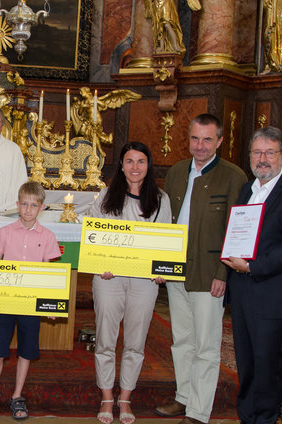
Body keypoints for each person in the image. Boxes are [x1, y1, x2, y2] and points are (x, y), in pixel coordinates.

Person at [222, 126, 282, 424]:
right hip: (244, 292)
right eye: (256, 152)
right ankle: (248, 417)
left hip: (274, 294)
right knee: (247, 364)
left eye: (269, 153)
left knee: (267, 366)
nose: (262, 159)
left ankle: (264, 418)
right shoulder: (246, 189)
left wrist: (251, 266)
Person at [158, 114, 247, 424]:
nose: (200, 145)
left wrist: (224, 274)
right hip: (176, 270)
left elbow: (236, 231)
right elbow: (166, 222)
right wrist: (160, 265)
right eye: (195, 138)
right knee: (182, 339)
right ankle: (183, 398)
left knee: (206, 345)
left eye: (207, 139)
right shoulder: (177, 172)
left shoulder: (233, 176)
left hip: (210, 273)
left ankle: (199, 412)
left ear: (219, 141)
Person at [88, 142, 172, 424]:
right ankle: (106, 397)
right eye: (129, 161)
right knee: (105, 339)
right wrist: (102, 264)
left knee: (135, 341)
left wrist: (162, 269)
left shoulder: (160, 199)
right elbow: (94, 237)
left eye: (141, 161)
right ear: (121, 165)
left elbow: (166, 242)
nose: (135, 167)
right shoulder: (105, 197)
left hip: (145, 281)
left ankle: (125, 398)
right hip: (108, 278)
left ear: (149, 166)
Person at [0, 181, 61, 420]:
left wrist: (50, 304)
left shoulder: (49, 236)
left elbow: (48, 274)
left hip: (30, 305)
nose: (28, 209)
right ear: (17, 205)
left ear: (41, 208)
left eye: (34, 205)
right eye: (24, 204)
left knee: (26, 350)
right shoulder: (5, 232)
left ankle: (17, 395)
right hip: (4, 302)